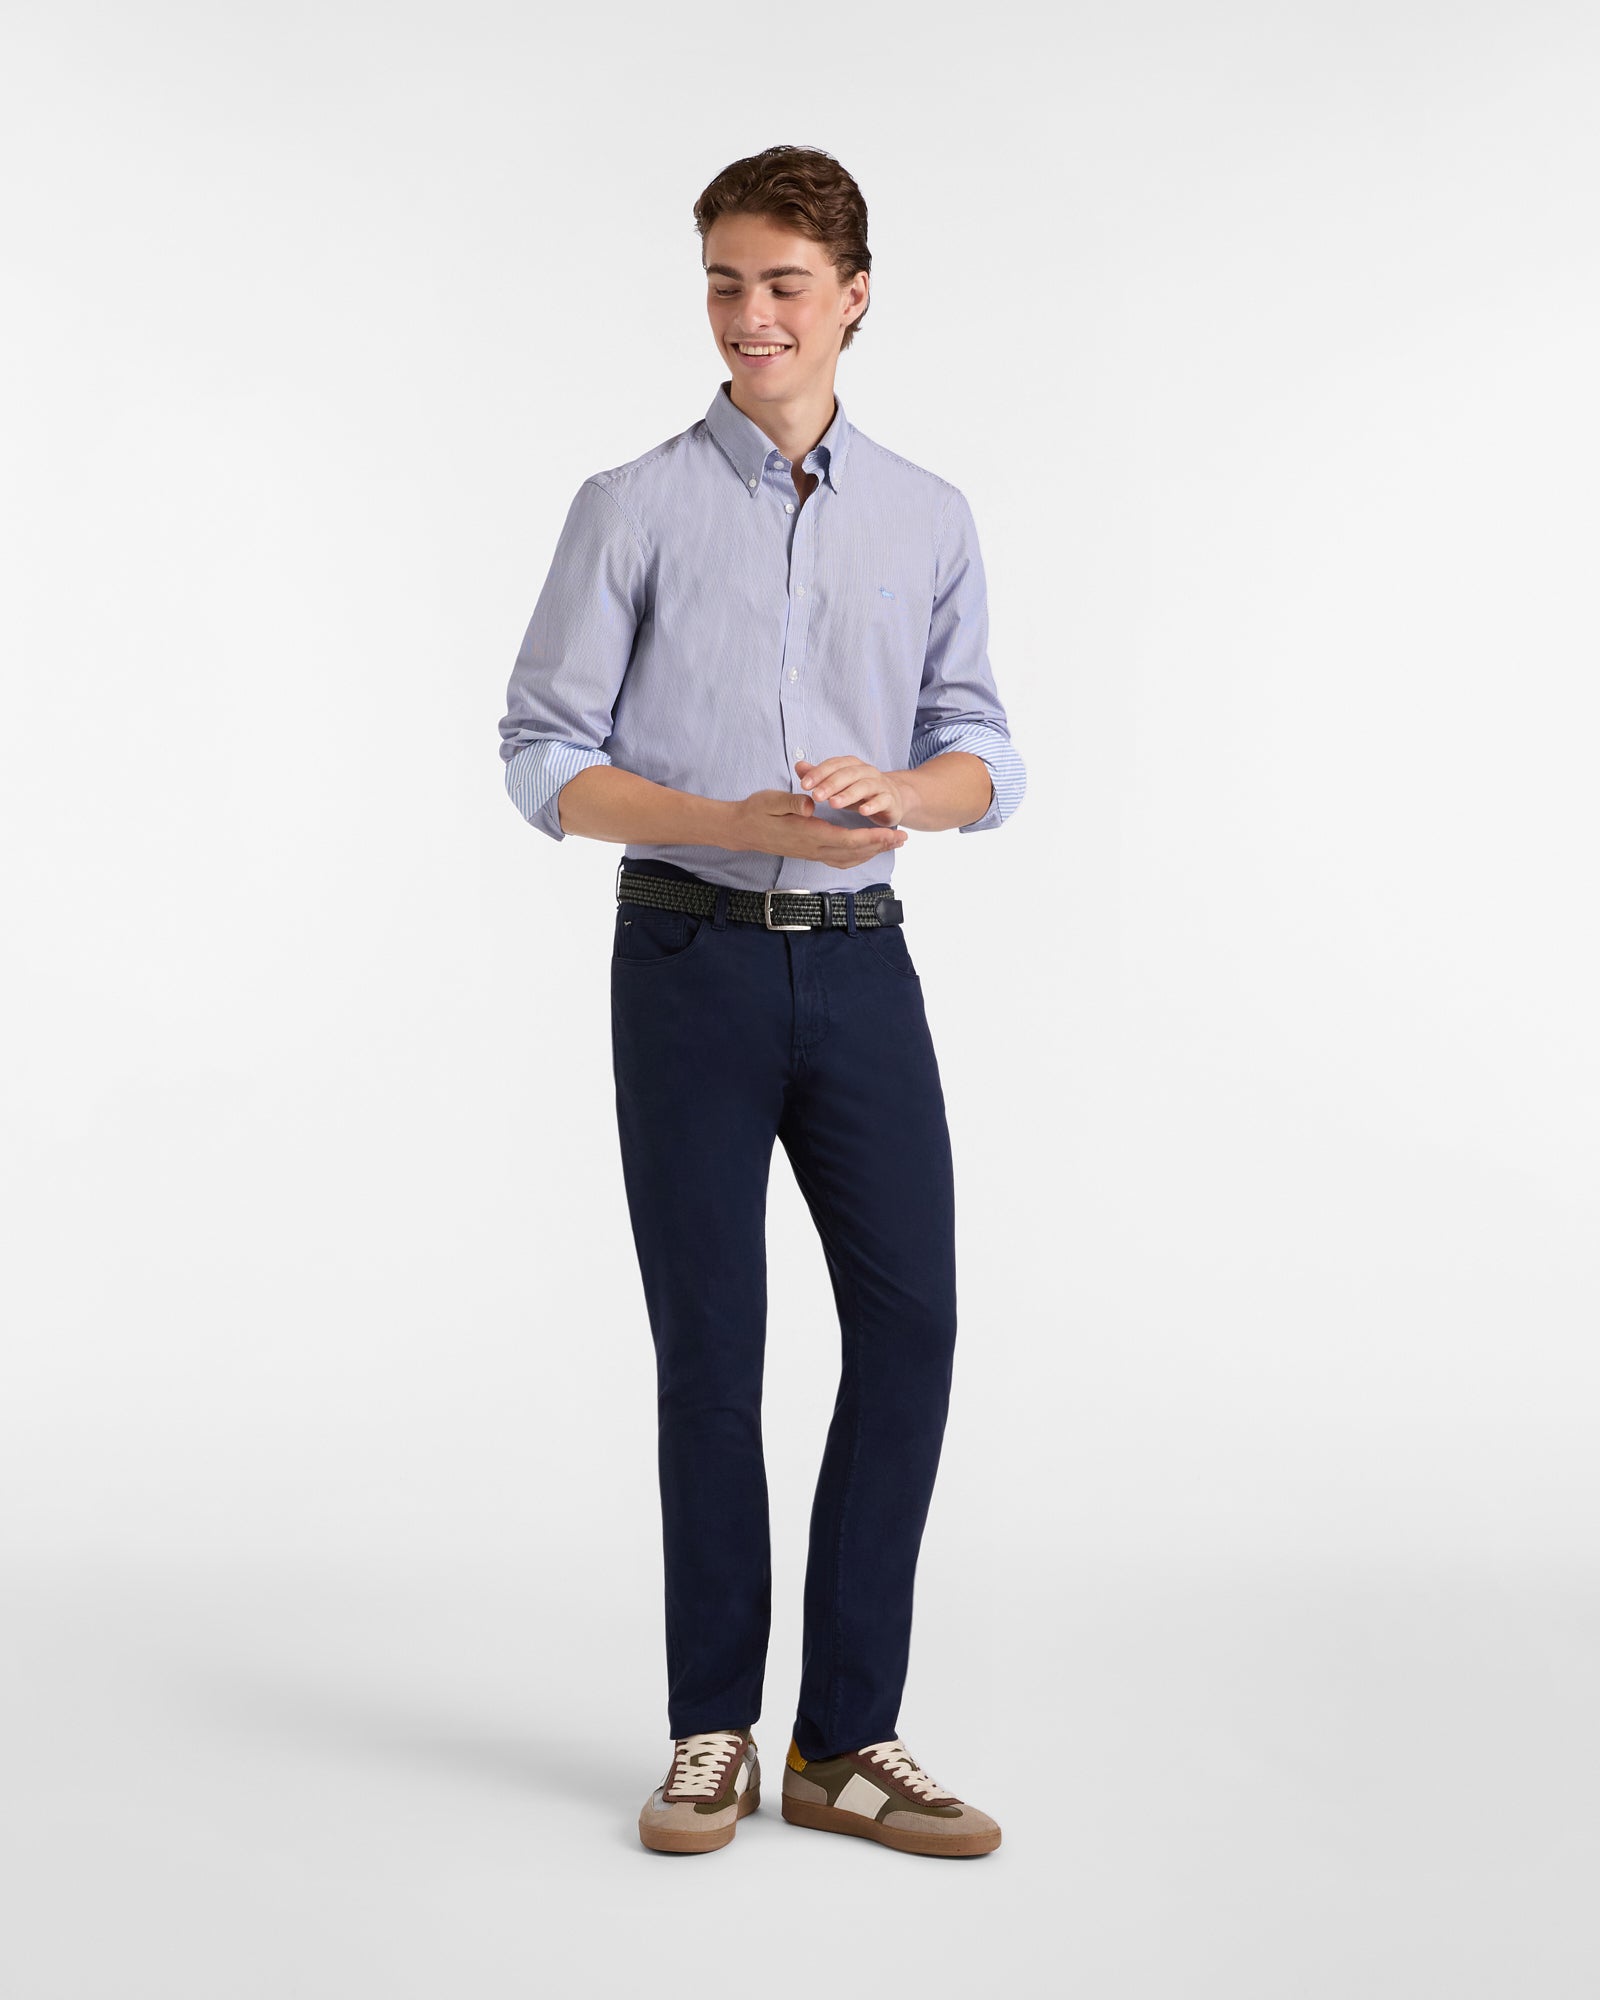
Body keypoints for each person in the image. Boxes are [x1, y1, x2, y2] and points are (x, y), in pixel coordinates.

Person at [497, 145, 1025, 1859]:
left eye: (784, 284)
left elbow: (983, 749)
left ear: (854, 295)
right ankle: (712, 1728)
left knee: (914, 1327)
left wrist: (904, 792)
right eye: (725, 283)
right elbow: (542, 755)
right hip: (687, 961)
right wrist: (726, 820)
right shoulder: (631, 505)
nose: (750, 317)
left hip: (864, 963)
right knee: (714, 1354)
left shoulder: (928, 514)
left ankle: (846, 1739)